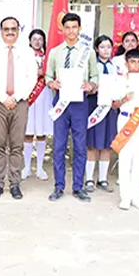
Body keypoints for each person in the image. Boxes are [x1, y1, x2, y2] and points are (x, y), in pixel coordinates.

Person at [45, 13, 98, 203]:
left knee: (80, 146)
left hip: (79, 103)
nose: (71, 31)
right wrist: (52, 84)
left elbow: (95, 78)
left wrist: (90, 86)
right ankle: (59, 186)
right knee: (59, 146)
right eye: (67, 27)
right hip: (61, 102)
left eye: (74, 27)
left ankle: (78, 186)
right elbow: (47, 77)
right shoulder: (55, 52)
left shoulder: (88, 52)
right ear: (62, 29)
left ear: (79, 29)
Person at [0, 17, 38, 200]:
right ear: (0, 31)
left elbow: (32, 78)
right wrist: (3, 98)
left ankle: (15, 184)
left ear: (18, 30)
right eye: (6, 29)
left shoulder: (27, 52)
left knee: (17, 145)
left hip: (20, 103)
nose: (9, 32)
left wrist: (15, 97)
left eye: (13, 29)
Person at [115, 48, 139, 211]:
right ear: (126, 63)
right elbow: (113, 105)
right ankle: (125, 197)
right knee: (125, 157)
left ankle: (137, 196)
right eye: (133, 62)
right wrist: (125, 98)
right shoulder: (120, 81)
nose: (136, 65)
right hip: (125, 118)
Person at [85, 35, 119, 193]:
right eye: (102, 47)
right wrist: (93, 88)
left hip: (110, 108)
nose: (106, 50)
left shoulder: (115, 67)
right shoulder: (92, 66)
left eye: (108, 47)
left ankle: (103, 179)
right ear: (97, 49)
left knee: (107, 144)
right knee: (91, 144)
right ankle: (90, 179)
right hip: (94, 106)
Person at [23, 28, 53, 180]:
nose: (37, 41)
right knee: (28, 133)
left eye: (40, 39)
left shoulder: (48, 57)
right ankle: (26, 167)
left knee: (41, 132)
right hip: (29, 95)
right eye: (34, 39)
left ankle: (40, 167)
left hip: (44, 95)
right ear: (29, 41)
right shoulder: (23, 56)